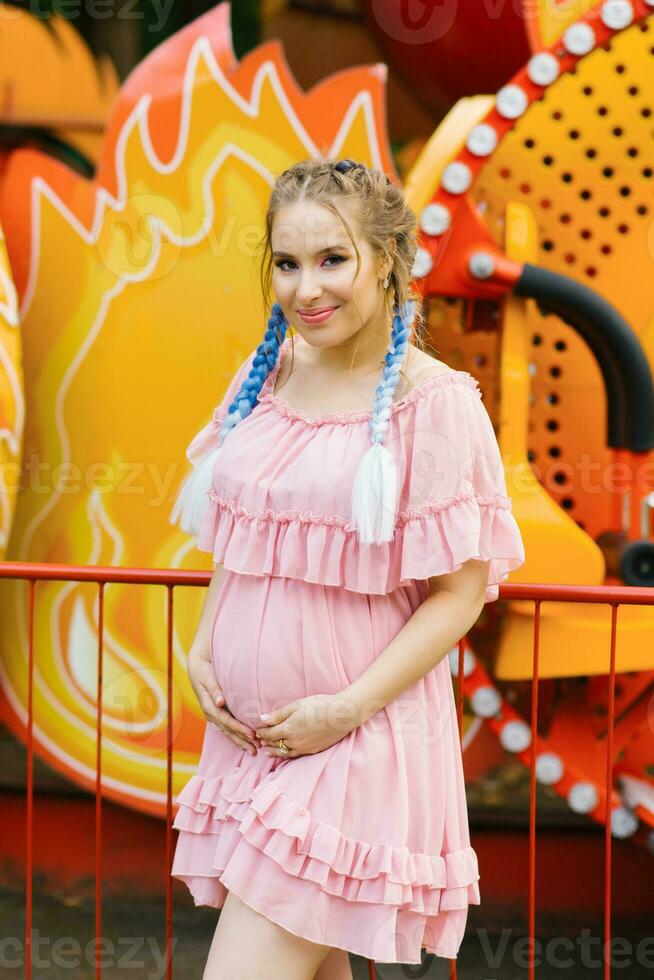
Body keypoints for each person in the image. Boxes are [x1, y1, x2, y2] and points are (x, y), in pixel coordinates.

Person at [168, 158, 526, 978]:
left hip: (358, 743)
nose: (306, 288)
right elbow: (244, 532)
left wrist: (347, 708)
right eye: (288, 264)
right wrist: (203, 645)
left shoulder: (433, 404)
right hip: (257, 744)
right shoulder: (273, 372)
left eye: (332, 260)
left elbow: (461, 592)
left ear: (389, 260)